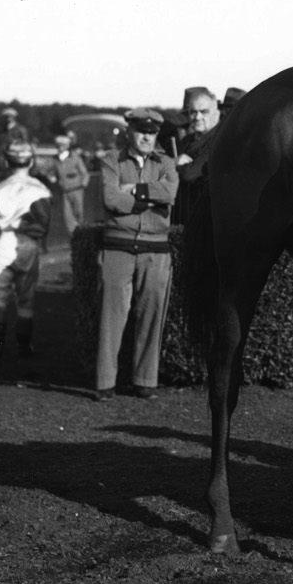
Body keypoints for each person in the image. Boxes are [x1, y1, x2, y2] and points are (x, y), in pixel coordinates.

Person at [96, 108, 177, 400]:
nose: (147, 137)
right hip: (118, 246)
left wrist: (135, 191)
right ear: (129, 131)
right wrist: (149, 197)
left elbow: (170, 194)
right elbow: (111, 198)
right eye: (141, 131)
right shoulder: (110, 160)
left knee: (152, 315)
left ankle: (145, 380)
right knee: (111, 316)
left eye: (152, 132)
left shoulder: (166, 162)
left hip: (156, 249)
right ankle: (105, 382)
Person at [0, 141, 52, 362]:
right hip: (29, 244)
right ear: (31, 161)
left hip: (3, 242)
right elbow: (45, 222)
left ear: (7, 161)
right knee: (26, 300)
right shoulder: (42, 189)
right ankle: (24, 346)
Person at [171, 86, 220, 224]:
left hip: (205, 220)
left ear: (216, 114)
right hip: (182, 217)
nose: (197, 117)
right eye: (193, 112)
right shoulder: (187, 140)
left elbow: (191, 173)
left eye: (204, 112)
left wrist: (173, 166)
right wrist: (174, 162)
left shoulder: (218, 140)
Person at [35, 134, 92, 239]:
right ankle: (75, 237)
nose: (59, 147)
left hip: (77, 189)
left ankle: (82, 236)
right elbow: (46, 170)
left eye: (61, 145)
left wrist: (83, 185)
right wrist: (50, 177)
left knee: (79, 214)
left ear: (66, 146)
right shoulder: (55, 160)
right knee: (68, 217)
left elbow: (85, 173)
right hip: (65, 191)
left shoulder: (75, 157)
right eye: (58, 145)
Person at [0, 106, 30, 179]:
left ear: (14, 117)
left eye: (10, 116)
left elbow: (25, 146)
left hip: (14, 163)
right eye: (6, 117)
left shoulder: (21, 130)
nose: (8, 118)